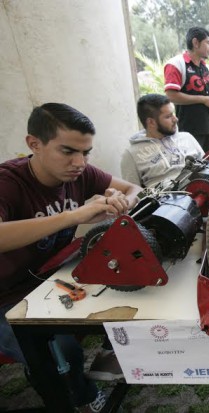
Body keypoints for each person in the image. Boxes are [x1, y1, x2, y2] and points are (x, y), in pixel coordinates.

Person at [0, 103, 142, 412]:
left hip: (51, 277)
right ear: (34, 144)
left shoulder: (80, 173)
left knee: (131, 288)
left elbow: (133, 188)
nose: (79, 162)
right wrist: (73, 216)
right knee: (61, 352)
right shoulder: (8, 182)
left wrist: (120, 200)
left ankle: (113, 354)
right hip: (7, 296)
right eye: (67, 151)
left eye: (86, 152)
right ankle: (80, 396)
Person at [164, 27, 209, 153]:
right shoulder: (176, 64)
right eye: (208, 43)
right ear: (196, 43)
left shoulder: (204, 66)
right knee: (193, 164)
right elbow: (171, 95)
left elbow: (208, 98)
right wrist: (203, 99)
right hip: (190, 131)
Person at [121, 94, 205, 188]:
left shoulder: (187, 137)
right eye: (168, 116)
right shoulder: (131, 154)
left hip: (202, 189)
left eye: (173, 114)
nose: (176, 119)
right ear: (151, 122)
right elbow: (132, 191)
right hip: (167, 196)